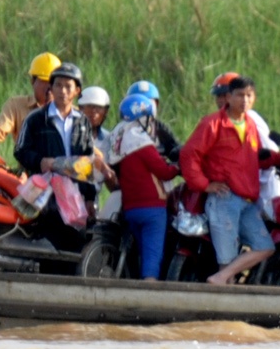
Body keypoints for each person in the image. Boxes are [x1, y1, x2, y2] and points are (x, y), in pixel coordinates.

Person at [181, 74, 280, 285]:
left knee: (265, 247)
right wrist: (204, 184)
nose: (244, 100)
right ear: (229, 97)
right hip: (224, 199)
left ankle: (221, 279)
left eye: (249, 95)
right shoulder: (213, 123)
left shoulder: (250, 124)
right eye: (239, 95)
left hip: (247, 200)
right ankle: (222, 284)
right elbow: (189, 154)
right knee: (226, 260)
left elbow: (253, 156)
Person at [16, 63, 98, 252]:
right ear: (51, 88)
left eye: (68, 86)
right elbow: (20, 150)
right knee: (48, 246)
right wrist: (40, 161)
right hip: (46, 195)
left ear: (77, 91)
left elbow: (88, 162)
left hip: (74, 195)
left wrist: (90, 197)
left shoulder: (82, 122)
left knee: (75, 246)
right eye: (58, 85)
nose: (63, 91)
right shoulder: (36, 119)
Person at [104, 95, 179, 280]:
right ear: (144, 118)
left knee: (141, 251)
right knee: (153, 253)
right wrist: (177, 168)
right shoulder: (141, 142)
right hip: (152, 207)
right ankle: (149, 285)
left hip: (130, 207)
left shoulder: (118, 141)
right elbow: (164, 172)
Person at [0, 52, 60, 158]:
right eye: (45, 81)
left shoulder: (70, 113)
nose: (50, 87)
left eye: (55, 82)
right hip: (27, 167)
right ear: (32, 81)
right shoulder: (17, 105)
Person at [126, 80, 181, 161]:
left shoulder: (159, 127)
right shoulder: (124, 129)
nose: (144, 107)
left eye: (149, 103)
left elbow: (173, 147)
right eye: (141, 103)